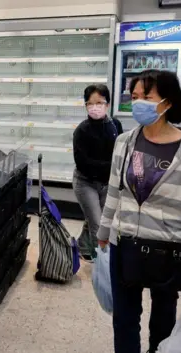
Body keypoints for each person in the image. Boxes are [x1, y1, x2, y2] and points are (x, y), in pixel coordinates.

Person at [96, 70, 181, 353]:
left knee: (162, 324)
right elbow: (114, 190)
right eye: (134, 97)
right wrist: (103, 231)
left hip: (168, 249)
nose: (138, 103)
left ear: (167, 102)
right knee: (124, 320)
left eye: (146, 98)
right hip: (124, 243)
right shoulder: (124, 142)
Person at [72, 84, 123, 261]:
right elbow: (83, 164)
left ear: (107, 104)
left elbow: (120, 153)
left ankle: (82, 247)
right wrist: (112, 166)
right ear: (86, 105)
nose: (95, 107)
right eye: (90, 103)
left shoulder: (115, 125)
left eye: (99, 102)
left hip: (107, 183)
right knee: (99, 224)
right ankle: (102, 262)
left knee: (94, 218)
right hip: (85, 183)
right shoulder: (81, 131)